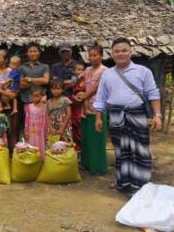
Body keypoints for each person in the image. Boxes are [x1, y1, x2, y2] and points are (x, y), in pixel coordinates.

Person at [94, 37, 161, 195]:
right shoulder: (107, 74)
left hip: (137, 114)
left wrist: (157, 115)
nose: (121, 54)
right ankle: (123, 181)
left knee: (140, 149)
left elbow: (153, 93)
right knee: (121, 149)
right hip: (116, 115)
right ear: (112, 54)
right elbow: (101, 98)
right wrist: (98, 117)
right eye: (117, 51)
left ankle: (141, 184)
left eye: (124, 50)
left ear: (131, 52)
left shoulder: (143, 71)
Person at [76, 45, 108, 175]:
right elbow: (80, 82)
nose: (92, 58)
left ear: (101, 56)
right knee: (86, 137)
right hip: (85, 108)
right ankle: (86, 164)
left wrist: (84, 95)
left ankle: (98, 167)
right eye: (90, 55)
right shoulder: (87, 69)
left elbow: (96, 88)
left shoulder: (105, 70)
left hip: (97, 108)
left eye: (95, 55)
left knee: (97, 138)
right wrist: (78, 91)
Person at [0, 50, 19, 151]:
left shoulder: (11, 70)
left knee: (12, 127)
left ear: (5, 60)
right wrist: (8, 94)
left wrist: (12, 94)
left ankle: (12, 151)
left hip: (11, 101)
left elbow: (16, 84)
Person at [24, 86, 47, 159]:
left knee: (41, 146)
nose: (35, 98)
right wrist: (26, 131)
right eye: (33, 96)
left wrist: (46, 131)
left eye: (37, 96)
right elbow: (27, 120)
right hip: (32, 131)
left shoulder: (45, 107)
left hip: (42, 132)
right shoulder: (29, 106)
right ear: (31, 96)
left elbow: (46, 120)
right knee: (32, 145)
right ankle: (33, 161)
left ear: (42, 96)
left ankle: (42, 161)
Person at [69, 62, 86, 152]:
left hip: (80, 103)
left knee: (79, 125)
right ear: (74, 70)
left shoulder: (83, 79)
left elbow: (80, 89)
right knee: (74, 125)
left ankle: (81, 148)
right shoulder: (74, 78)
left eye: (82, 70)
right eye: (78, 69)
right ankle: (76, 148)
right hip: (74, 103)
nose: (80, 71)